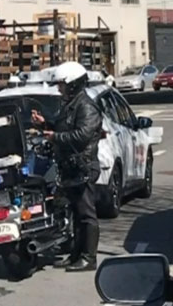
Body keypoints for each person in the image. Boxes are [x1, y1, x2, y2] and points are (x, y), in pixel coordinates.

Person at [31, 61, 103, 272]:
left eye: (62, 84)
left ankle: (89, 258)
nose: (59, 88)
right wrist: (45, 124)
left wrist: (55, 137)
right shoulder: (71, 105)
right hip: (70, 168)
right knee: (76, 214)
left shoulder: (86, 106)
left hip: (83, 167)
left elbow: (82, 136)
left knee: (86, 215)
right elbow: (63, 127)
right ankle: (76, 255)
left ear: (73, 84)